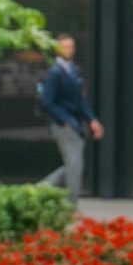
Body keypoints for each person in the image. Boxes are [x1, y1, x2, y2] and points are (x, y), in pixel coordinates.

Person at [37, 34, 103, 205]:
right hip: (63, 125)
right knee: (75, 165)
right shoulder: (54, 73)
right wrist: (63, 119)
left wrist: (92, 120)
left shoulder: (74, 71)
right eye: (65, 46)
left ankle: (38, 190)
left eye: (71, 46)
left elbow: (80, 101)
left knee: (74, 165)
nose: (69, 50)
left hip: (76, 125)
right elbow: (47, 102)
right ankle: (71, 207)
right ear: (57, 49)